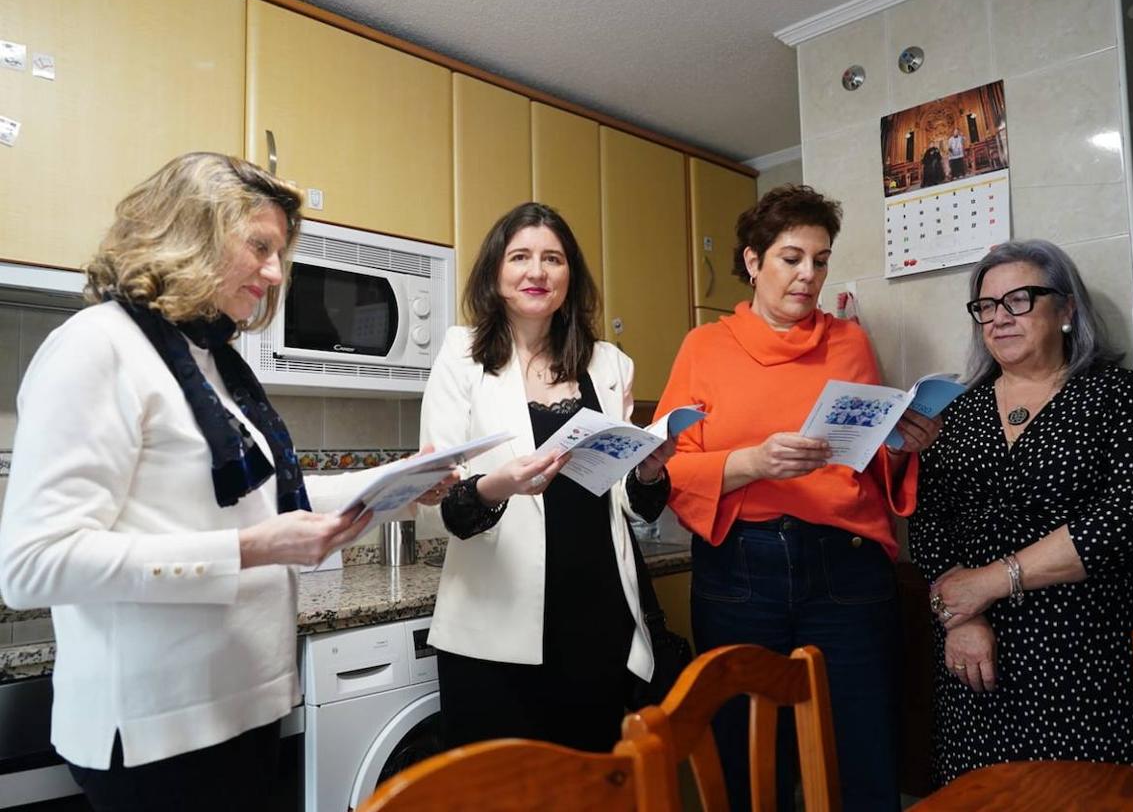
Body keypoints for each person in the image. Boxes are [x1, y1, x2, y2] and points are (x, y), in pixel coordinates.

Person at [0, 153, 448, 812]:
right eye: (260, 248)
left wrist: (402, 485)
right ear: (191, 234)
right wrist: (248, 551)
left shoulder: (209, 362)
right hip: (157, 737)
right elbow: (34, 565)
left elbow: (266, 502)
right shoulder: (96, 348)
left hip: (239, 714)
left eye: (279, 254)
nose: (275, 274)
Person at [654, 184, 942, 812]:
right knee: (746, 753)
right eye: (792, 257)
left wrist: (903, 444)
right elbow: (666, 468)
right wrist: (752, 462)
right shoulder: (704, 348)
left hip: (847, 568)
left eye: (821, 259)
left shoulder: (850, 343)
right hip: (739, 570)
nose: (808, 274)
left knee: (864, 750)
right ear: (753, 262)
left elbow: (868, 462)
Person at [908, 239, 1133, 785]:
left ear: (1066, 309)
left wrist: (990, 581)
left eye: (1019, 300)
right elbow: (929, 525)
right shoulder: (957, 414)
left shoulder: (1122, 398)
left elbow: (1132, 516)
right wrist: (962, 617)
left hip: (1087, 656)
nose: (998, 319)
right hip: (975, 660)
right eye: (986, 306)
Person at [419, 202, 675, 753]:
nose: (537, 272)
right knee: (498, 793)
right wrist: (498, 485)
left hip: (598, 617)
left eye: (553, 259)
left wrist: (649, 471)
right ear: (495, 273)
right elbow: (435, 508)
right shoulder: (460, 357)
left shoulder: (609, 365)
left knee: (592, 786)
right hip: (494, 625)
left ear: (570, 276)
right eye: (520, 257)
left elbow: (624, 499)